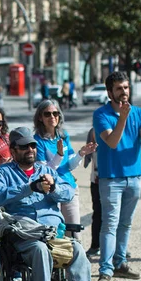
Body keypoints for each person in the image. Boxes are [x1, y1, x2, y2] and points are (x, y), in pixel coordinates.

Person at [0, 127, 97, 281]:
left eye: (32, 145)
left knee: (77, 251)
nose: (30, 149)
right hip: (25, 235)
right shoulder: (4, 172)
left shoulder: (45, 170)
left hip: (52, 233)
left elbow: (68, 192)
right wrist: (30, 187)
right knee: (40, 251)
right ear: (13, 150)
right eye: (24, 147)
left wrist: (54, 186)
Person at [91, 71, 141, 281]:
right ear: (110, 92)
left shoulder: (138, 113)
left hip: (134, 176)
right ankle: (105, 270)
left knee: (125, 223)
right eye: (119, 88)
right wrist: (123, 118)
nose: (124, 92)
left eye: (126, 88)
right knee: (109, 224)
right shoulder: (101, 114)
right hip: (111, 178)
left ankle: (120, 262)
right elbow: (111, 141)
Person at [33, 100, 97, 240]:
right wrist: (59, 155)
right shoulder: (37, 141)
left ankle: (75, 260)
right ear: (40, 117)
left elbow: (70, 165)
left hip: (69, 188)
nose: (52, 117)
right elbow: (44, 171)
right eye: (47, 114)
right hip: (50, 192)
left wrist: (81, 153)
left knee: (74, 233)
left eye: (55, 113)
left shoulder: (63, 135)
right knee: (53, 235)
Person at [83, 128, 101, 258]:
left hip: (114, 179)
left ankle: (118, 246)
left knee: (117, 215)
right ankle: (95, 245)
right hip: (97, 179)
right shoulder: (95, 129)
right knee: (98, 213)